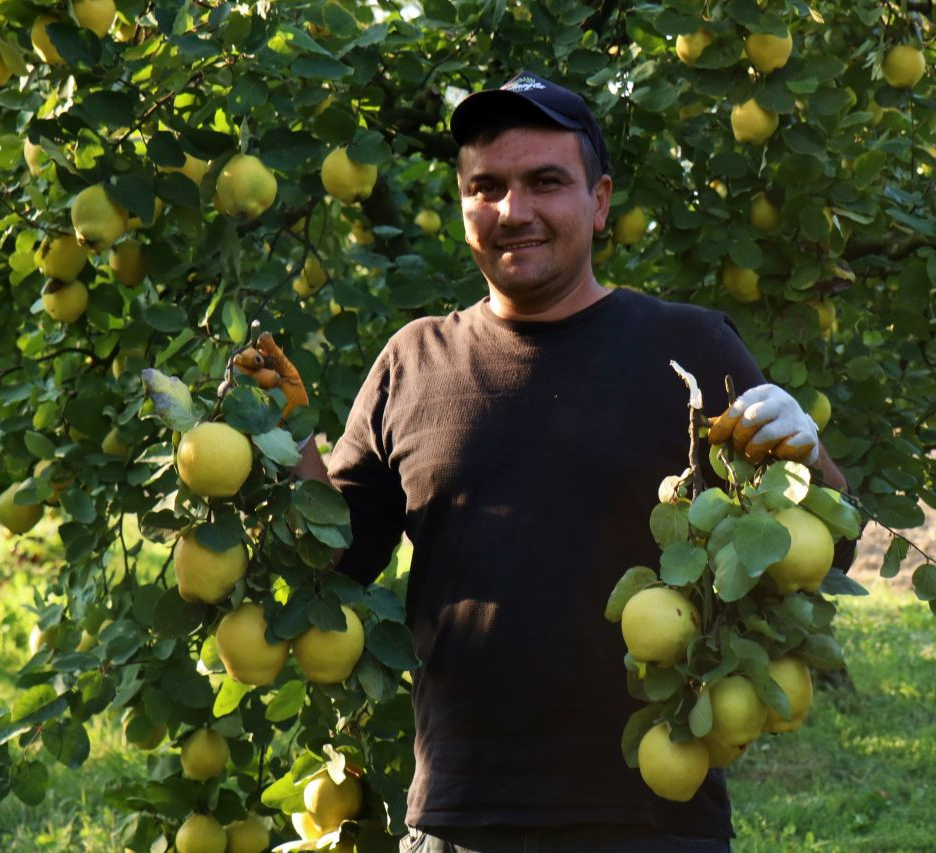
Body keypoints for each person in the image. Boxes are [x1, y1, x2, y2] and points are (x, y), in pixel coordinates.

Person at [278, 71, 852, 853]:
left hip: (653, 814)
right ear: (463, 205)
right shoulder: (413, 361)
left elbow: (826, 547)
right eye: (487, 186)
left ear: (600, 200)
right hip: (461, 816)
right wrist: (289, 441)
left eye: (546, 182)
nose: (514, 211)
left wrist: (808, 454)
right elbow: (338, 559)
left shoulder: (689, 349)